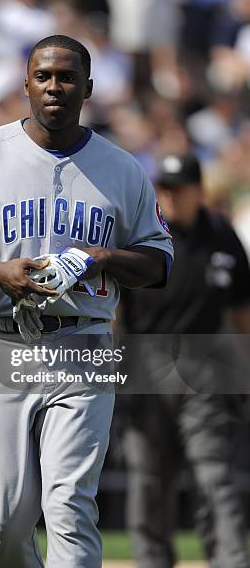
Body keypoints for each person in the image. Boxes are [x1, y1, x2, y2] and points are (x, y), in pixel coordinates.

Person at [0, 35, 173, 568]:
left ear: (88, 88)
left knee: (69, 504)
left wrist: (105, 257)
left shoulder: (122, 168)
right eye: (44, 76)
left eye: (66, 77)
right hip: (6, 340)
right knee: (4, 516)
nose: (54, 86)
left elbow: (158, 263)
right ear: (26, 84)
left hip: (86, 346)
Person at [122, 153, 250, 568]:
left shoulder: (221, 236)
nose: (171, 196)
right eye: (166, 188)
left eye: (179, 188)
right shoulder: (142, 233)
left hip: (206, 361)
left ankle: (230, 559)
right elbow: (116, 308)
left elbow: (242, 311)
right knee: (149, 476)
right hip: (147, 359)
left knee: (215, 472)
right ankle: (152, 560)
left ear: (199, 191)